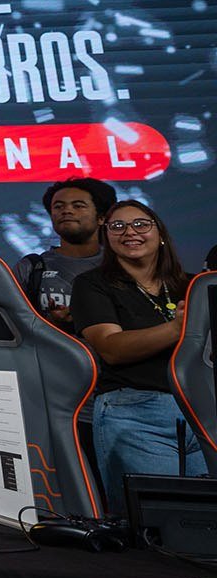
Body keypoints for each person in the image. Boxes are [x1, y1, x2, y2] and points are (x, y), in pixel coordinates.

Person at [71, 200, 206, 511]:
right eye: (117, 226)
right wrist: (178, 329)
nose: (130, 231)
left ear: (159, 234)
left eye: (141, 224)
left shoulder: (191, 285)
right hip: (134, 413)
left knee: (205, 523)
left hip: (199, 411)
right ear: (107, 237)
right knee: (154, 525)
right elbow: (111, 349)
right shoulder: (93, 285)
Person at [13, 178, 117, 329]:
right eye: (58, 206)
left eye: (78, 206)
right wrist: (51, 323)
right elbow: (10, 322)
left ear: (101, 218)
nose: (67, 211)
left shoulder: (121, 265)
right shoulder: (31, 268)